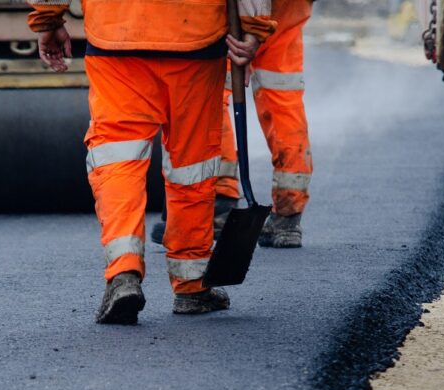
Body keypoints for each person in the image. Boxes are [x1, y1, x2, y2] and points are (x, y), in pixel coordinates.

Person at [28, 0, 275, 325]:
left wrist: (48, 18)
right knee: (193, 164)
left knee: (118, 156)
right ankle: (192, 285)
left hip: (117, 35)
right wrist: (254, 27)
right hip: (196, 37)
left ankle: (123, 273)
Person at [150, 0, 313, 249]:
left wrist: (250, 24)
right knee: (282, 93)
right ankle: (288, 217)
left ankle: (220, 199)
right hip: (288, 6)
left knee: (215, 86)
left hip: (237, 7)